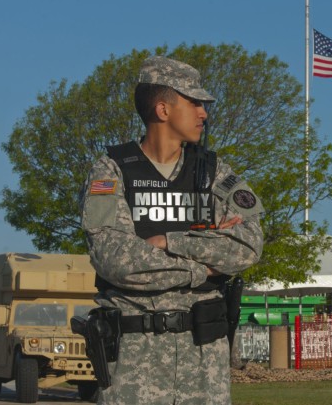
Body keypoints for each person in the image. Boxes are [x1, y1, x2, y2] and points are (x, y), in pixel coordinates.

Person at [80, 55, 264, 405]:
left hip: (204, 360)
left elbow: (248, 245)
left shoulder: (213, 173)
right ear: (163, 110)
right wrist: (204, 264)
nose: (204, 113)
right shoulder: (111, 171)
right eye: (194, 102)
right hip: (136, 363)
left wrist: (169, 241)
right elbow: (116, 260)